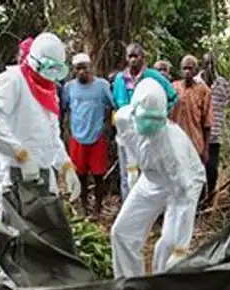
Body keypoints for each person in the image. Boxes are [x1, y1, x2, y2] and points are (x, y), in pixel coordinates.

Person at [0, 32, 81, 219]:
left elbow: (51, 136)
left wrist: (66, 166)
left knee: (44, 233)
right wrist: (21, 154)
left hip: (40, 174)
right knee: (16, 233)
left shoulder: (50, 91)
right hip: (9, 174)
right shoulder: (12, 81)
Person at [110, 78, 205, 278]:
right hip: (150, 178)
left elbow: (184, 198)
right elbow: (127, 141)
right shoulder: (123, 118)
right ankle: (129, 286)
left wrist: (181, 247)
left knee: (168, 248)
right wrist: (132, 167)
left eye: (155, 120)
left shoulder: (173, 147)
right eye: (145, 118)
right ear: (134, 110)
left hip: (180, 185)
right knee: (122, 232)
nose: (149, 125)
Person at [111, 43, 177, 200]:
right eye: (130, 56)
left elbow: (172, 96)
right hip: (126, 135)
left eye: (136, 56)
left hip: (148, 132)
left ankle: (150, 210)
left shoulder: (152, 76)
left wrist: (160, 114)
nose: (133, 60)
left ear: (143, 58)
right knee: (127, 172)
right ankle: (128, 207)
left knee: (149, 172)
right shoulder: (121, 79)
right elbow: (115, 103)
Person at [61, 53, 115, 218]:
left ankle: (97, 209)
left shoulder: (102, 85)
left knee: (99, 176)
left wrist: (108, 128)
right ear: (74, 70)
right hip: (77, 138)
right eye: (78, 68)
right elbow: (64, 109)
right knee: (80, 176)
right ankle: (84, 208)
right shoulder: (69, 88)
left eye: (85, 67)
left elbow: (113, 106)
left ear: (90, 67)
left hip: (98, 136)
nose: (82, 71)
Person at [197, 53, 230, 207]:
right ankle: (199, 201)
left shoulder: (222, 84)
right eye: (206, 63)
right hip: (197, 135)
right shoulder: (196, 83)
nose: (209, 66)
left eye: (212, 63)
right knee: (198, 169)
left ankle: (209, 199)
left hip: (215, 135)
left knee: (212, 169)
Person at [170, 55, 212, 167]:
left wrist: (206, 149)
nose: (187, 72)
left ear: (196, 71)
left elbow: (207, 122)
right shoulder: (173, 88)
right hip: (175, 143)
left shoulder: (203, 91)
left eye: (190, 68)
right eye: (185, 68)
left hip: (195, 143)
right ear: (180, 70)